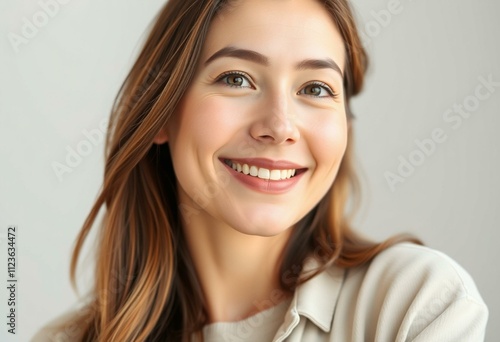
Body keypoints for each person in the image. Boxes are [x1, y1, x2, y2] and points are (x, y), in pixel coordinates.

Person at [32, 0, 488, 341]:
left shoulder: (416, 305)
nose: (279, 126)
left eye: (314, 87)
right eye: (236, 79)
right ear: (163, 112)